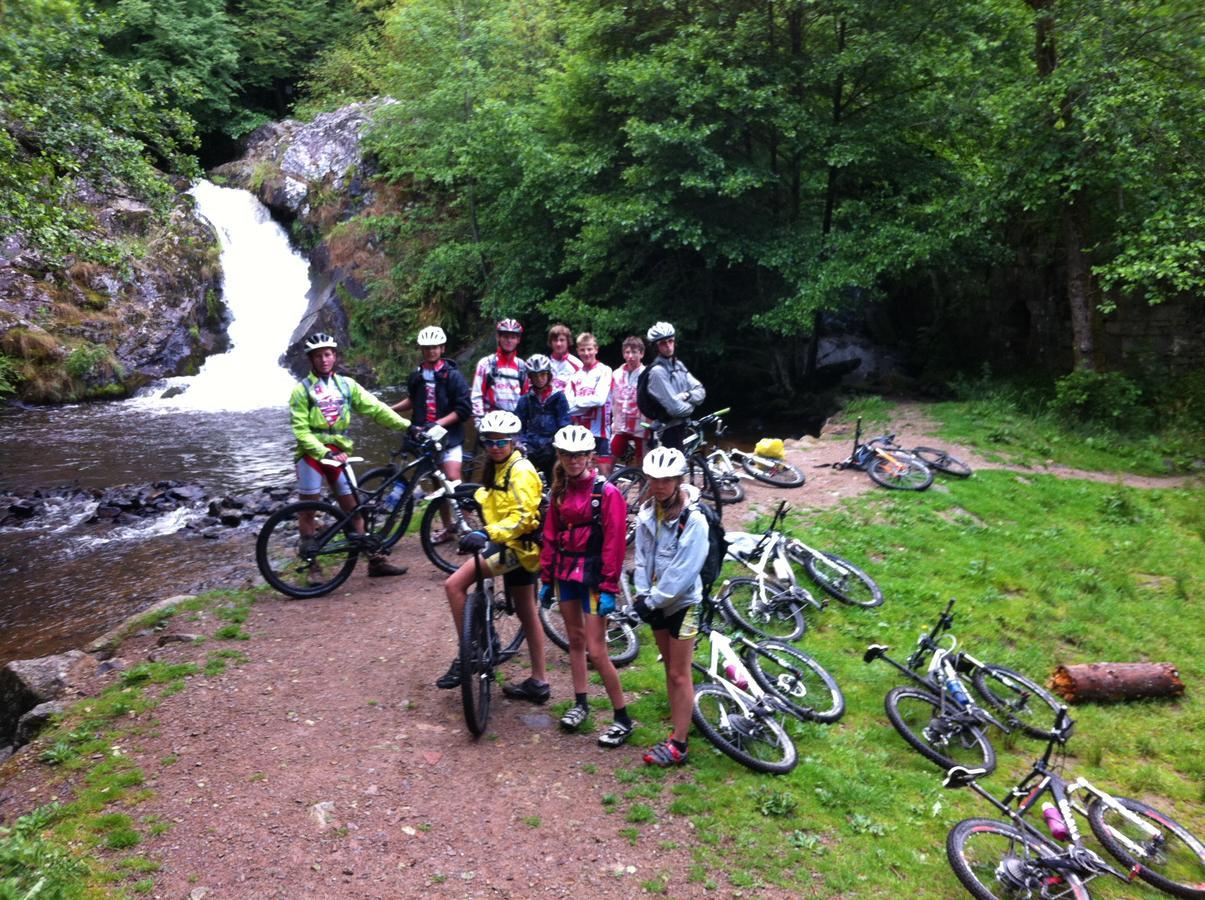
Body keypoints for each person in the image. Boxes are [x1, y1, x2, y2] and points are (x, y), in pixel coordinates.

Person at [437, 410, 549, 702]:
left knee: (454, 585)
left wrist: (487, 533)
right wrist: (472, 495)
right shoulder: (500, 465)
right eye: (489, 442)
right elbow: (495, 496)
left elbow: (524, 516)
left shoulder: (521, 469)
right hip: (514, 545)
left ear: (513, 442)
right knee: (527, 612)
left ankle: (470, 650)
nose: (495, 447)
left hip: (517, 547)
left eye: (502, 442)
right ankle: (539, 682)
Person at [539, 425, 633, 747]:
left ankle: (622, 717)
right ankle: (581, 704)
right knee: (574, 641)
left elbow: (614, 544)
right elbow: (550, 535)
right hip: (566, 575)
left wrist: (609, 588)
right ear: (560, 456)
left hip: (593, 577)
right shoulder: (559, 491)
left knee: (597, 649)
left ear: (590, 456)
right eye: (567, 454)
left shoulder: (607, 494)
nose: (573, 460)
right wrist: (546, 578)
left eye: (579, 454)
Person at [289, 332, 411, 577]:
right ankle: (312, 565)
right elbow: (301, 431)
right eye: (318, 356)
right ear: (311, 359)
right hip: (312, 455)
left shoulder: (347, 385)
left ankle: (375, 561)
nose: (323, 359)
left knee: (353, 508)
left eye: (327, 354)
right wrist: (323, 451)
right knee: (308, 509)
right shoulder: (301, 391)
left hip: (339, 453)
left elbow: (376, 408)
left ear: (334, 356)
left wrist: (408, 426)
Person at [630, 447, 708, 766]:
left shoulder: (694, 520)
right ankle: (680, 722)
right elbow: (642, 558)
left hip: (684, 604)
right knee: (669, 670)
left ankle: (679, 744)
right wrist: (641, 594)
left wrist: (653, 599)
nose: (659, 485)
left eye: (666, 480)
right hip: (656, 602)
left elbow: (683, 571)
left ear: (678, 480)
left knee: (679, 673)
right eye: (654, 479)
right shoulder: (649, 512)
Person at [390, 325, 472, 543]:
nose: (431, 351)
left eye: (434, 347)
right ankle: (447, 528)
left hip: (450, 436)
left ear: (442, 348)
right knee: (437, 483)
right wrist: (390, 409)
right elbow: (412, 401)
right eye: (426, 348)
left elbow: (464, 409)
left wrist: (438, 423)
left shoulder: (453, 376)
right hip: (425, 438)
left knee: (453, 480)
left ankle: (465, 527)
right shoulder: (416, 376)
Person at [643, 322, 705, 451]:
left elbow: (701, 391)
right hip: (666, 430)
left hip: (679, 426)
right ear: (656, 347)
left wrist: (686, 395)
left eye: (670, 341)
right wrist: (693, 406)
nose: (668, 346)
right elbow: (675, 409)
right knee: (670, 470)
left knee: (679, 467)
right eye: (663, 343)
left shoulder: (678, 365)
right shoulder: (657, 372)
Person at [514, 354, 570, 483]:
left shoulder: (558, 397)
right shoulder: (525, 399)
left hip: (552, 447)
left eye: (542, 374)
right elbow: (518, 424)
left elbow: (564, 423)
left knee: (557, 483)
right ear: (530, 378)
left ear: (549, 375)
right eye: (535, 376)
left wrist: (559, 445)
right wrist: (521, 443)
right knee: (522, 480)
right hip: (531, 446)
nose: (539, 379)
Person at [565, 332, 613, 474]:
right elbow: (567, 405)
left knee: (605, 476)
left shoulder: (604, 370)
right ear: (578, 351)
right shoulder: (575, 376)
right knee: (583, 474)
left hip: (601, 432)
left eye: (589, 349)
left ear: (596, 349)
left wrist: (577, 403)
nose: (586, 353)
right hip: (581, 432)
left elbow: (600, 399)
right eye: (582, 349)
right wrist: (587, 403)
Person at [470, 318, 528, 425]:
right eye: (505, 336)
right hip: (489, 422)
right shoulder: (485, 364)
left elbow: (526, 398)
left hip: (514, 423)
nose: (509, 341)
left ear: (518, 340)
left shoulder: (523, 367)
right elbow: (477, 395)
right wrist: (479, 421)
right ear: (498, 337)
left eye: (513, 337)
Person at [609, 335, 649, 467]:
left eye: (634, 352)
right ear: (623, 353)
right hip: (621, 426)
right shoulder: (616, 374)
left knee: (642, 464)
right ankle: (608, 485)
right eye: (627, 352)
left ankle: (643, 486)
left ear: (641, 354)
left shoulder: (647, 374)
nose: (630, 356)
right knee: (610, 457)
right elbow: (610, 399)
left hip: (641, 427)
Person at [546, 323, 581, 394]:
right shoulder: (544, 363)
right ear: (551, 342)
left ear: (568, 342)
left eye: (562, 340)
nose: (558, 344)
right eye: (555, 340)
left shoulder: (577, 364)